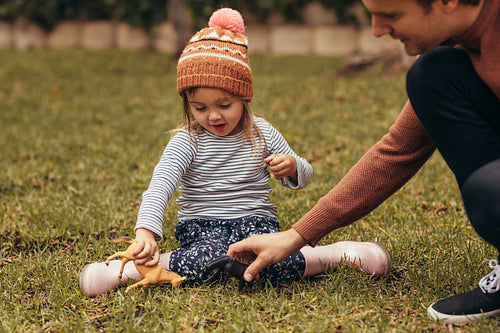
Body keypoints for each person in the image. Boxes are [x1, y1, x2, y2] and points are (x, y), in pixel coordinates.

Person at [79, 8, 391, 297]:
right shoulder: (187, 141)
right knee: (208, 260)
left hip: (256, 224)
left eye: (224, 105)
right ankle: (128, 271)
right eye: (200, 108)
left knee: (273, 260)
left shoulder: (262, 133)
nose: (213, 116)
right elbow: (161, 183)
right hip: (203, 227)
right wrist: (146, 230)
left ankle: (339, 254)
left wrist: (293, 166)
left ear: (244, 97)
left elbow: (304, 175)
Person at [228, 0, 500, 324]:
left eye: (391, 15)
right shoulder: (454, 54)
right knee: (431, 74)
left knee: (490, 190)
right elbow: (397, 151)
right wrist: (296, 236)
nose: (377, 30)